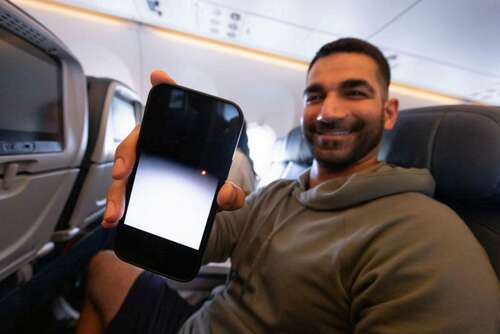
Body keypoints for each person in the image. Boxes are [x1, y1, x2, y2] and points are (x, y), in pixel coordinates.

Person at [76, 38, 500, 334]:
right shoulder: (282, 194)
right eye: (315, 96)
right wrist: (160, 180)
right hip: (199, 323)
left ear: (388, 113)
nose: (329, 111)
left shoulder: (423, 235)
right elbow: (207, 242)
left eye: (354, 93)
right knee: (105, 265)